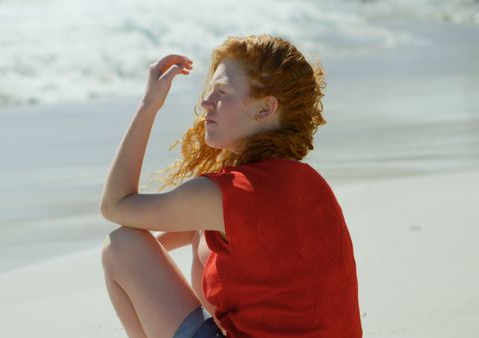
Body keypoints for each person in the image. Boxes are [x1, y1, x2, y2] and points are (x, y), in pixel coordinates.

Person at [100, 34, 363, 338]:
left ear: (265, 109)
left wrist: (149, 104)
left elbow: (114, 205)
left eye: (222, 92)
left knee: (122, 246)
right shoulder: (308, 184)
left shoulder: (232, 193)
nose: (205, 103)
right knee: (193, 234)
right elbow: (176, 231)